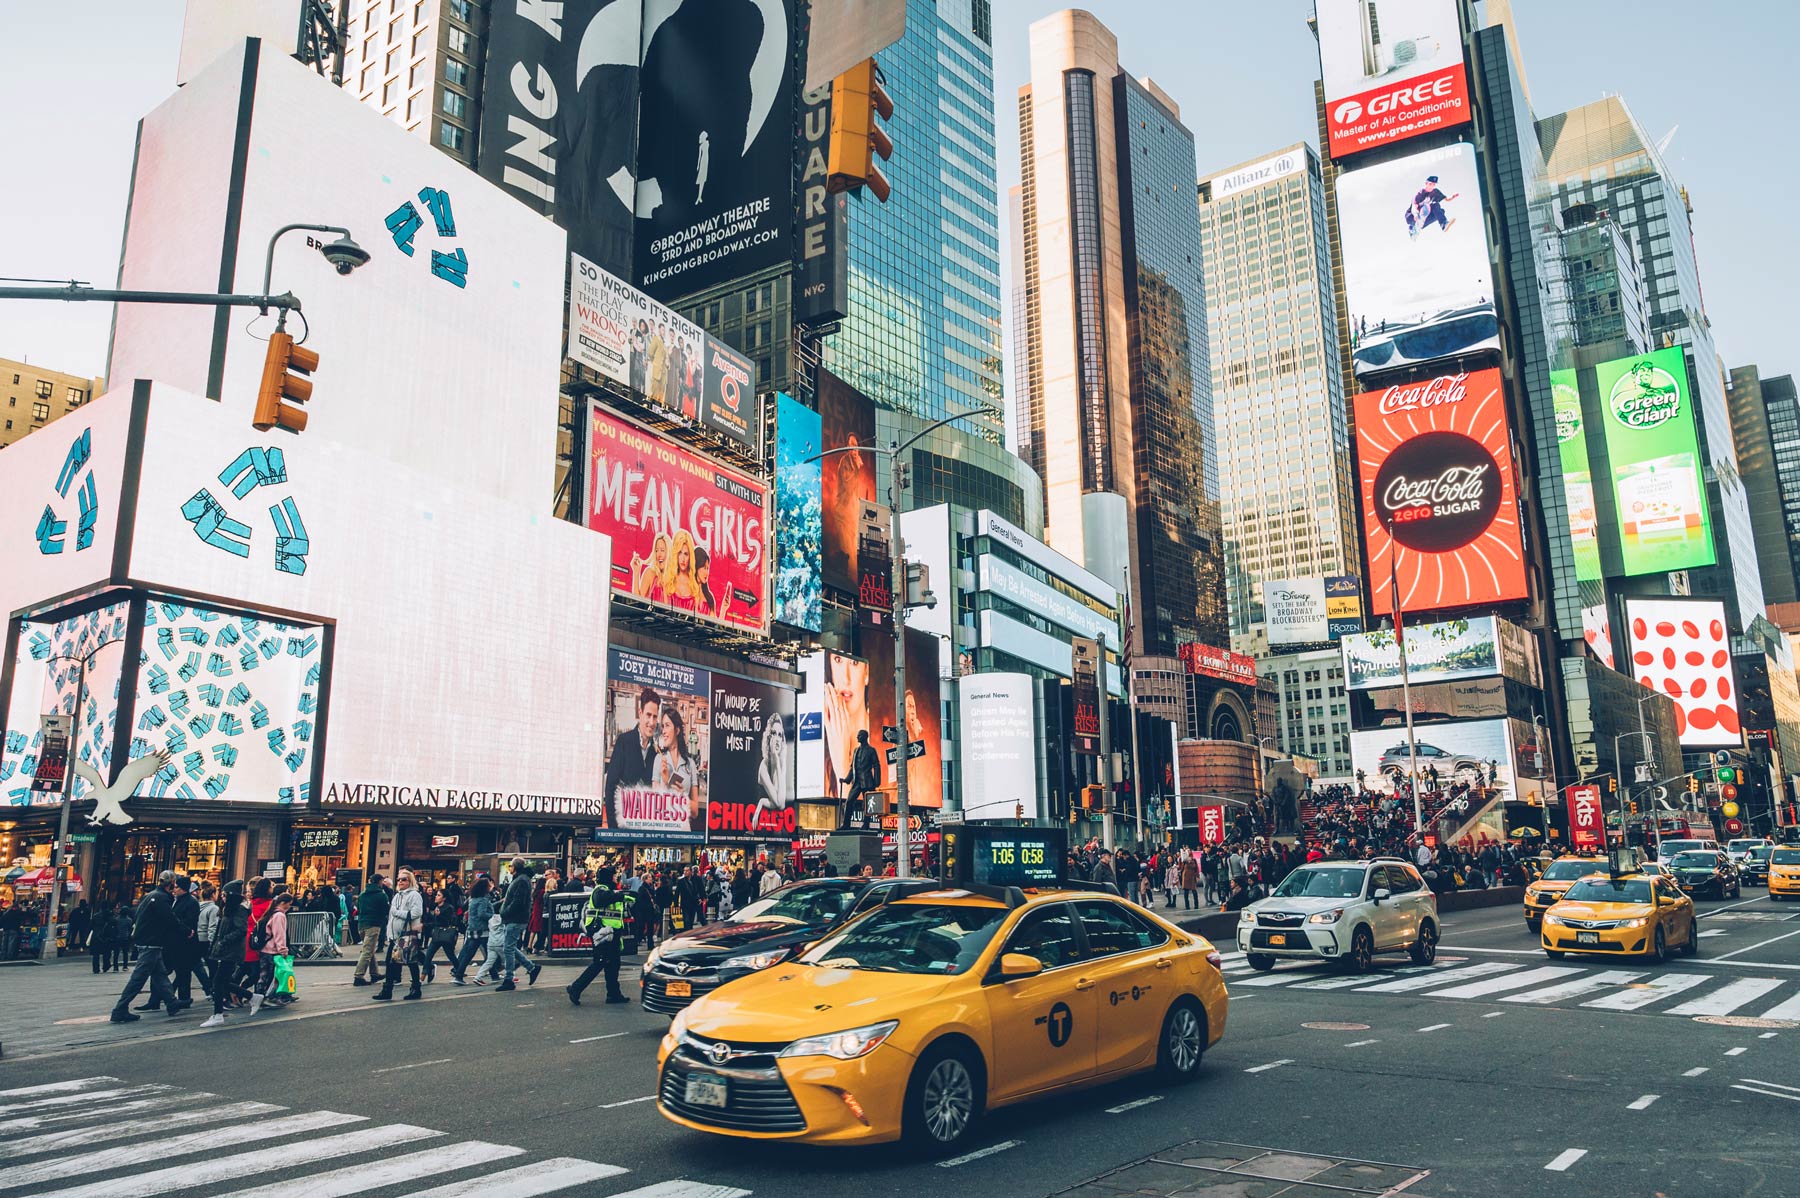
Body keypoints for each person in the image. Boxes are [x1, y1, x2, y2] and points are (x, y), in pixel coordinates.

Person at [110, 871, 186, 1023]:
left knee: (160, 974)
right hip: (152, 942)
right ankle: (120, 1009)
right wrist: (186, 930)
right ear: (170, 884)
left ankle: (172, 1003)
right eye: (174, 884)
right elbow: (170, 919)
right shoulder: (162, 898)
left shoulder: (150, 896)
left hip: (148, 941)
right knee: (138, 978)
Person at [566, 867, 630, 1006]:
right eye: (614, 876)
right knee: (600, 962)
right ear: (608, 877)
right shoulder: (600, 890)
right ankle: (575, 988)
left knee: (613, 964)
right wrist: (621, 896)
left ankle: (614, 994)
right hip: (601, 933)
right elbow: (602, 900)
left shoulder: (609, 890)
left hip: (611, 933)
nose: (616, 878)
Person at [603, 688, 662, 831]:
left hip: (644, 828)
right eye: (648, 715)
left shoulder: (656, 753)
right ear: (640, 713)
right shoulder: (624, 741)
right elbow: (610, 787)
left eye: (655, 717)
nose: (651, 722)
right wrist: (613, 829)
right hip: (621, 824)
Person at [201, 881, 251, 1028]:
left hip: (231, 950)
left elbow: (241, 930)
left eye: (224, 894)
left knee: (218, 982)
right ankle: (252, 997)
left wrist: (224, 941)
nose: (222, 897)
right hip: (225, 950)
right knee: (222, 982)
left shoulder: (239, 910)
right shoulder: (227, 909)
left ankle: (218, 1015)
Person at [373, 869, 426, 1001]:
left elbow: (416, 913)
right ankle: (388, 989)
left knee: (410, 960)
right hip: (396, 935)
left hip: (406, 933)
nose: (400, 882)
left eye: (404, 879)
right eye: (399, 879)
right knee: (392, 962)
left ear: (410, 881)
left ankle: (415, 988)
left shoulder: (414, 895)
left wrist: (397, 913)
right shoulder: (397, 895)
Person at [494, 858, 542, 992]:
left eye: (510, 866)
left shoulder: (521, 880)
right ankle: (531, 967)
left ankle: (509, 979)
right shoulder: (522, 879)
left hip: (515, 919)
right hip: (515, 918)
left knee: (508, 948)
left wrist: (504, 912)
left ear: (515, 867)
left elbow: (517, 901)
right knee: (509, 947)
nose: (509, 868)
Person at [247, 891, 294, 1014]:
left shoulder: (271, 912)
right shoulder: (280, 916)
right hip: (272, 950)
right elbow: (279, 934)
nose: (289, 907)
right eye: (289, 904)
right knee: (271, 975)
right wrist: (283, 950)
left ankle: (258, 997)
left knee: (264, 975)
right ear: (283, 903)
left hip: (264, 949)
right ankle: (263, 998)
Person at [450, 876, 495, 984]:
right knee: (486, 953)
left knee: (475, 953)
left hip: (472, 928)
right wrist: (492, 915)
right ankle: (459, 975)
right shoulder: (483, 900)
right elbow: (482, 914)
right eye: (489, 886)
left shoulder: (473, 899)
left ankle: (494, 975)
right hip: (481, 930)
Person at [841, 729, 880, 826]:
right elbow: (853, 767)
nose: (857, 737)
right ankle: (846, 824)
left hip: (868, 781)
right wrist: (847, 779)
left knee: (867, 805)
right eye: (857, 735)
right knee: (849, 801)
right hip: (857, 782)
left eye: (859, 735)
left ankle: (866, 824)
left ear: (865, 737)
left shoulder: (871, 750)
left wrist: (876, 780)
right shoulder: (856, 751)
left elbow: (876, 765)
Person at [90, 899, 117, 973]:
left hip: (96, 935)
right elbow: (114, 924)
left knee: (96, 954)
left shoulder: (95, 916)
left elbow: (91, 926)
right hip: (106, 936)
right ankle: (106, 966)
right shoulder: (110, 915)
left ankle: (96, 968)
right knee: (107, 952)